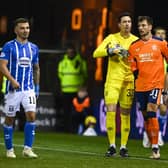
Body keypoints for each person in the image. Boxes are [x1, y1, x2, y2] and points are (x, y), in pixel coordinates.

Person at [93, 12, 138, 157]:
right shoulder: (112, 38)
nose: (127, 24)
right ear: (119, 24)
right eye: (124, 22)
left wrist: (131, 57)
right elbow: (96, 53)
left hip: (129, 80)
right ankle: (112, 145)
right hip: (113, 80)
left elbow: (141, 61)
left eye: (129, 22)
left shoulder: (136, 41)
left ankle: (123, 147)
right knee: (111, 110)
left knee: (125, 114)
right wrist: (110, 50)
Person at [128, 16, 168, 159]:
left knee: (152, 110)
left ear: (150, 27)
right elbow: (132, 66)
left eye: (144, 25)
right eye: (139, 26)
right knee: (146, 117)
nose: (141, 28)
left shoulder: (161, 43)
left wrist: (165, 89)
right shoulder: (133, 46)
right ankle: (152, 143)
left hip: (155, 84)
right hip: (140, 87)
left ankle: (156, 149)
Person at [0, 17, 40, 158]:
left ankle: (27, 149)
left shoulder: (33, 48)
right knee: (10, 119)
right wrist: (12, 80)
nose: (25, 31)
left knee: (31, 116)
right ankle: (9, 150)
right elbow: (2, 66)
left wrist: (37, 87)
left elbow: (36, 68)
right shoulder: (9, 46)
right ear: (15, 30)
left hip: (28, 88)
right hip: (13, 90)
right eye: (22, 28)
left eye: (27, 28)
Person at [142, 26, 168, 148]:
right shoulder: (151, 47)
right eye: (159, 33)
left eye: (163, 33)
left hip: (164, 82)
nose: (161, 35)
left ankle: (152, 133)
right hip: (152, 83)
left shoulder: (165, 47)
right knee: (153, 110)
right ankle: (151, 135)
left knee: (163, 111)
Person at [58, 44, 88, 133]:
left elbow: (85, 74)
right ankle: (67, 129)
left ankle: (76, 129)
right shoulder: (63, 62)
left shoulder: (80, 61)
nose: (70, 54)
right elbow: (60, 75)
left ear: (75, 52)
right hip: (66, 91)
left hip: (77, 92)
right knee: (66, 111)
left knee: (77, 112)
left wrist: (82, 87)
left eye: (71, 52)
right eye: (68, 52)